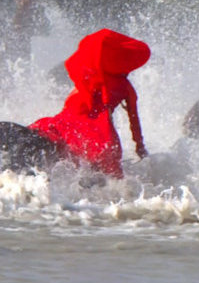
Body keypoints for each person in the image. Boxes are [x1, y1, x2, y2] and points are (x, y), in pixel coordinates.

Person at [28, 28, 151, 179]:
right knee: (112, 172)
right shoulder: (126, 87)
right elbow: (134, 120)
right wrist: (140, 146)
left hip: (68, 120)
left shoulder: (88, 78)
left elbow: (70, 103)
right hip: (97, 125)